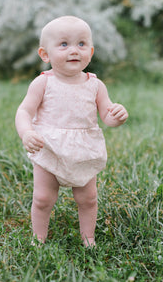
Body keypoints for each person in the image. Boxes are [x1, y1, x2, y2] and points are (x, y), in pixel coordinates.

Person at [15, 16, 128, 247]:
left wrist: (116, 116)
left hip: (84, 150)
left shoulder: (95, 85)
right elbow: (24, 111)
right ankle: (38, 239)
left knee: (87, 198)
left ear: (91, 51)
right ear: (45, 54)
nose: (74, 50)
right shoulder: (43, 83)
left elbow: (106, 116)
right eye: (64, 44)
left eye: (82, 44)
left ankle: (88, 238)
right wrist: (26, 133)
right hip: (49, 148)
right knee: (43, 198)